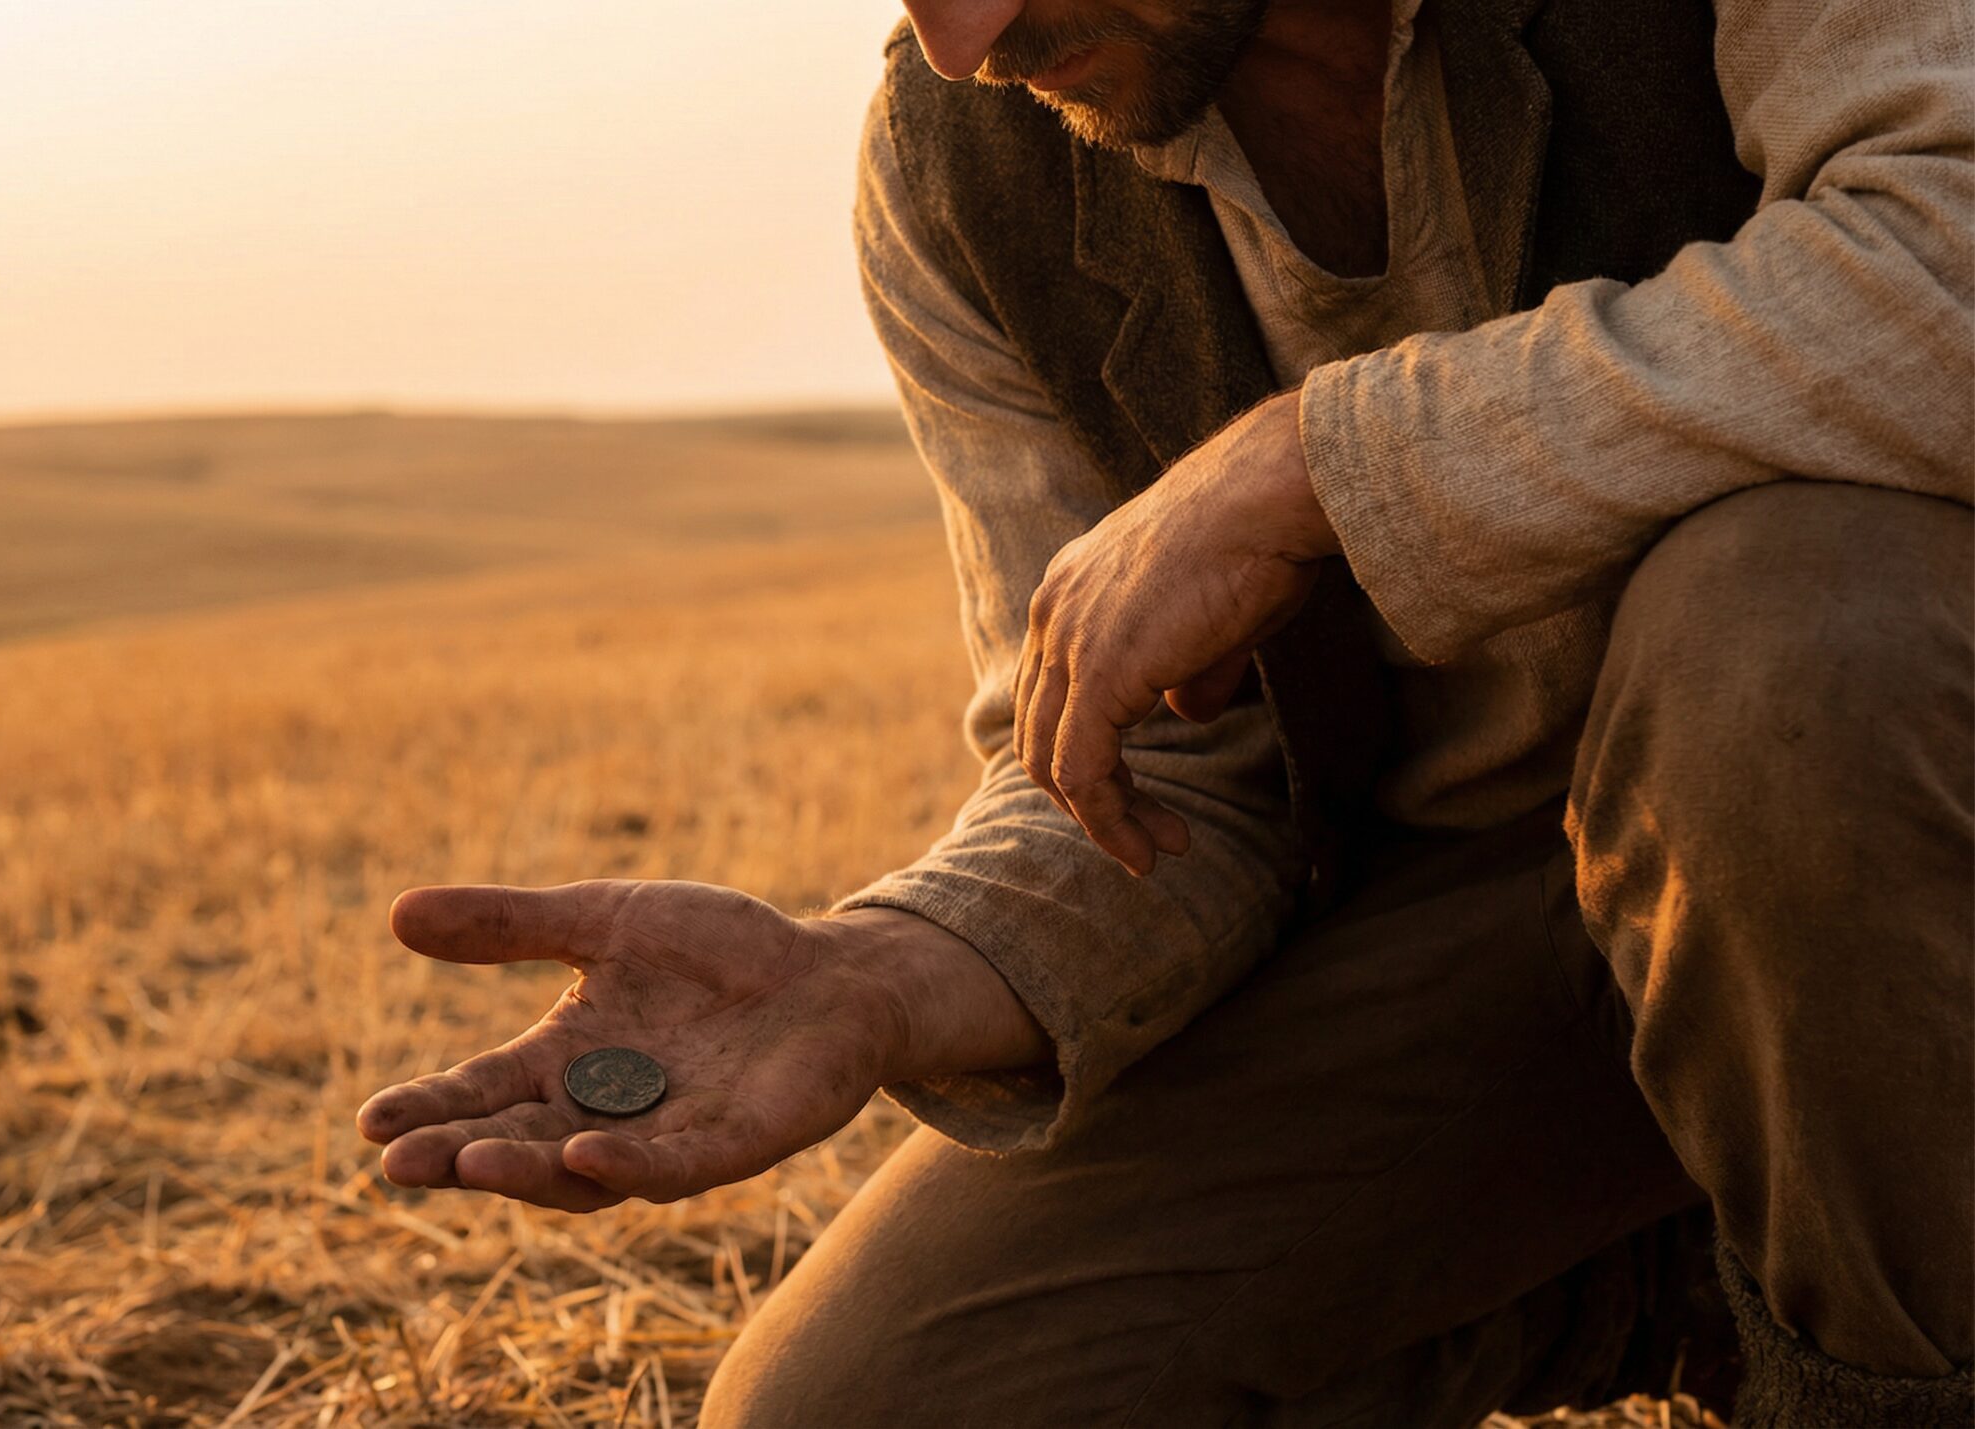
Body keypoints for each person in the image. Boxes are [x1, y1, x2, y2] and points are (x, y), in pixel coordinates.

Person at [356, 0, 1975, 1421]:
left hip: (1904, 840)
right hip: (1500, 948)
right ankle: (1703, 1264)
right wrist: (891, 967)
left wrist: (1319, 466)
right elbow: (1166, 762)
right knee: (866, 1408)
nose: (958, 39)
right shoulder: (959, 158)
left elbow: (1947, 256)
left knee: (1789, 631)